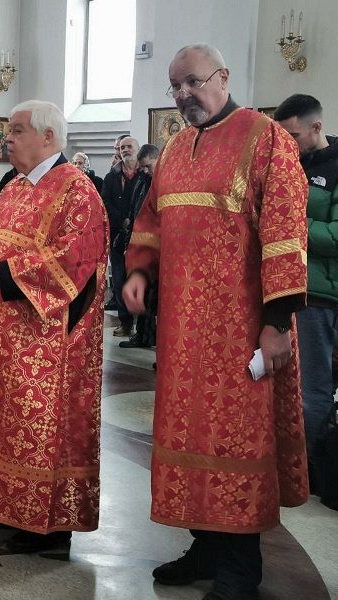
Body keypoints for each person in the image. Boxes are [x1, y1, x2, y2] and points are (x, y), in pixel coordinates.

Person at [122, 44, 309, 600]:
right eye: (174, 86)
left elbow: (285, 232)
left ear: (223, 77)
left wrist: (277, 323)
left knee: (235, 445)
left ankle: (239, 572)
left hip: (240, 330)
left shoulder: (264, 138)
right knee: (190, 438)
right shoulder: (176, 149)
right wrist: (140, 270)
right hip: (182, 333)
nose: (183, 95)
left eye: (192, 82)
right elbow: (151, 218)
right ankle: (205, 546)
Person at [0, 100, 108, 554]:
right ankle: (3, 507)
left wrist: (6, 274)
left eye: (16, 131)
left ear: (48, 137)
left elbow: (77, 259)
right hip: (0, 331)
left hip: (46, 339)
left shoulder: (77, 189)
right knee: (0, 421)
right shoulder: (14, 186)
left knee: (38, 427)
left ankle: (45, 529)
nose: (6, 139)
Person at [274, 94, 338, 503]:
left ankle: (310, 467)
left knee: (312, 388)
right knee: (290, 385)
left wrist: (290, 221)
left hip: (320, 294)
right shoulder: (290, 164)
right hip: (291, 288)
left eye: (293, 136)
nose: (288, 145)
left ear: (316, 127)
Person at [118, 143, 159, 349]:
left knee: (155, 300)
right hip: (142, 245)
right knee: (144, 296)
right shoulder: (143, 182)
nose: (145, 171)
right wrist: (130, 244)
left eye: (148, 166)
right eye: (142, 167)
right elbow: (135, 215)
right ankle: (142, 336)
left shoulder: (164, 183)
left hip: (158, 251)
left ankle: (153, 339)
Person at [102, 135, 140, 336]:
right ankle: (125, 323)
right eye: (122, 147)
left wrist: (132, 222)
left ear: (137, 149)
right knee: (118, 278)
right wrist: (122, 221)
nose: (125, 150)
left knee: (139, 279)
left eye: (129, 146)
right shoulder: (111, 177)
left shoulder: (144, 175)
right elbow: (105, 203)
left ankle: (142, 328)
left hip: (140, 234)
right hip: (118, 235)